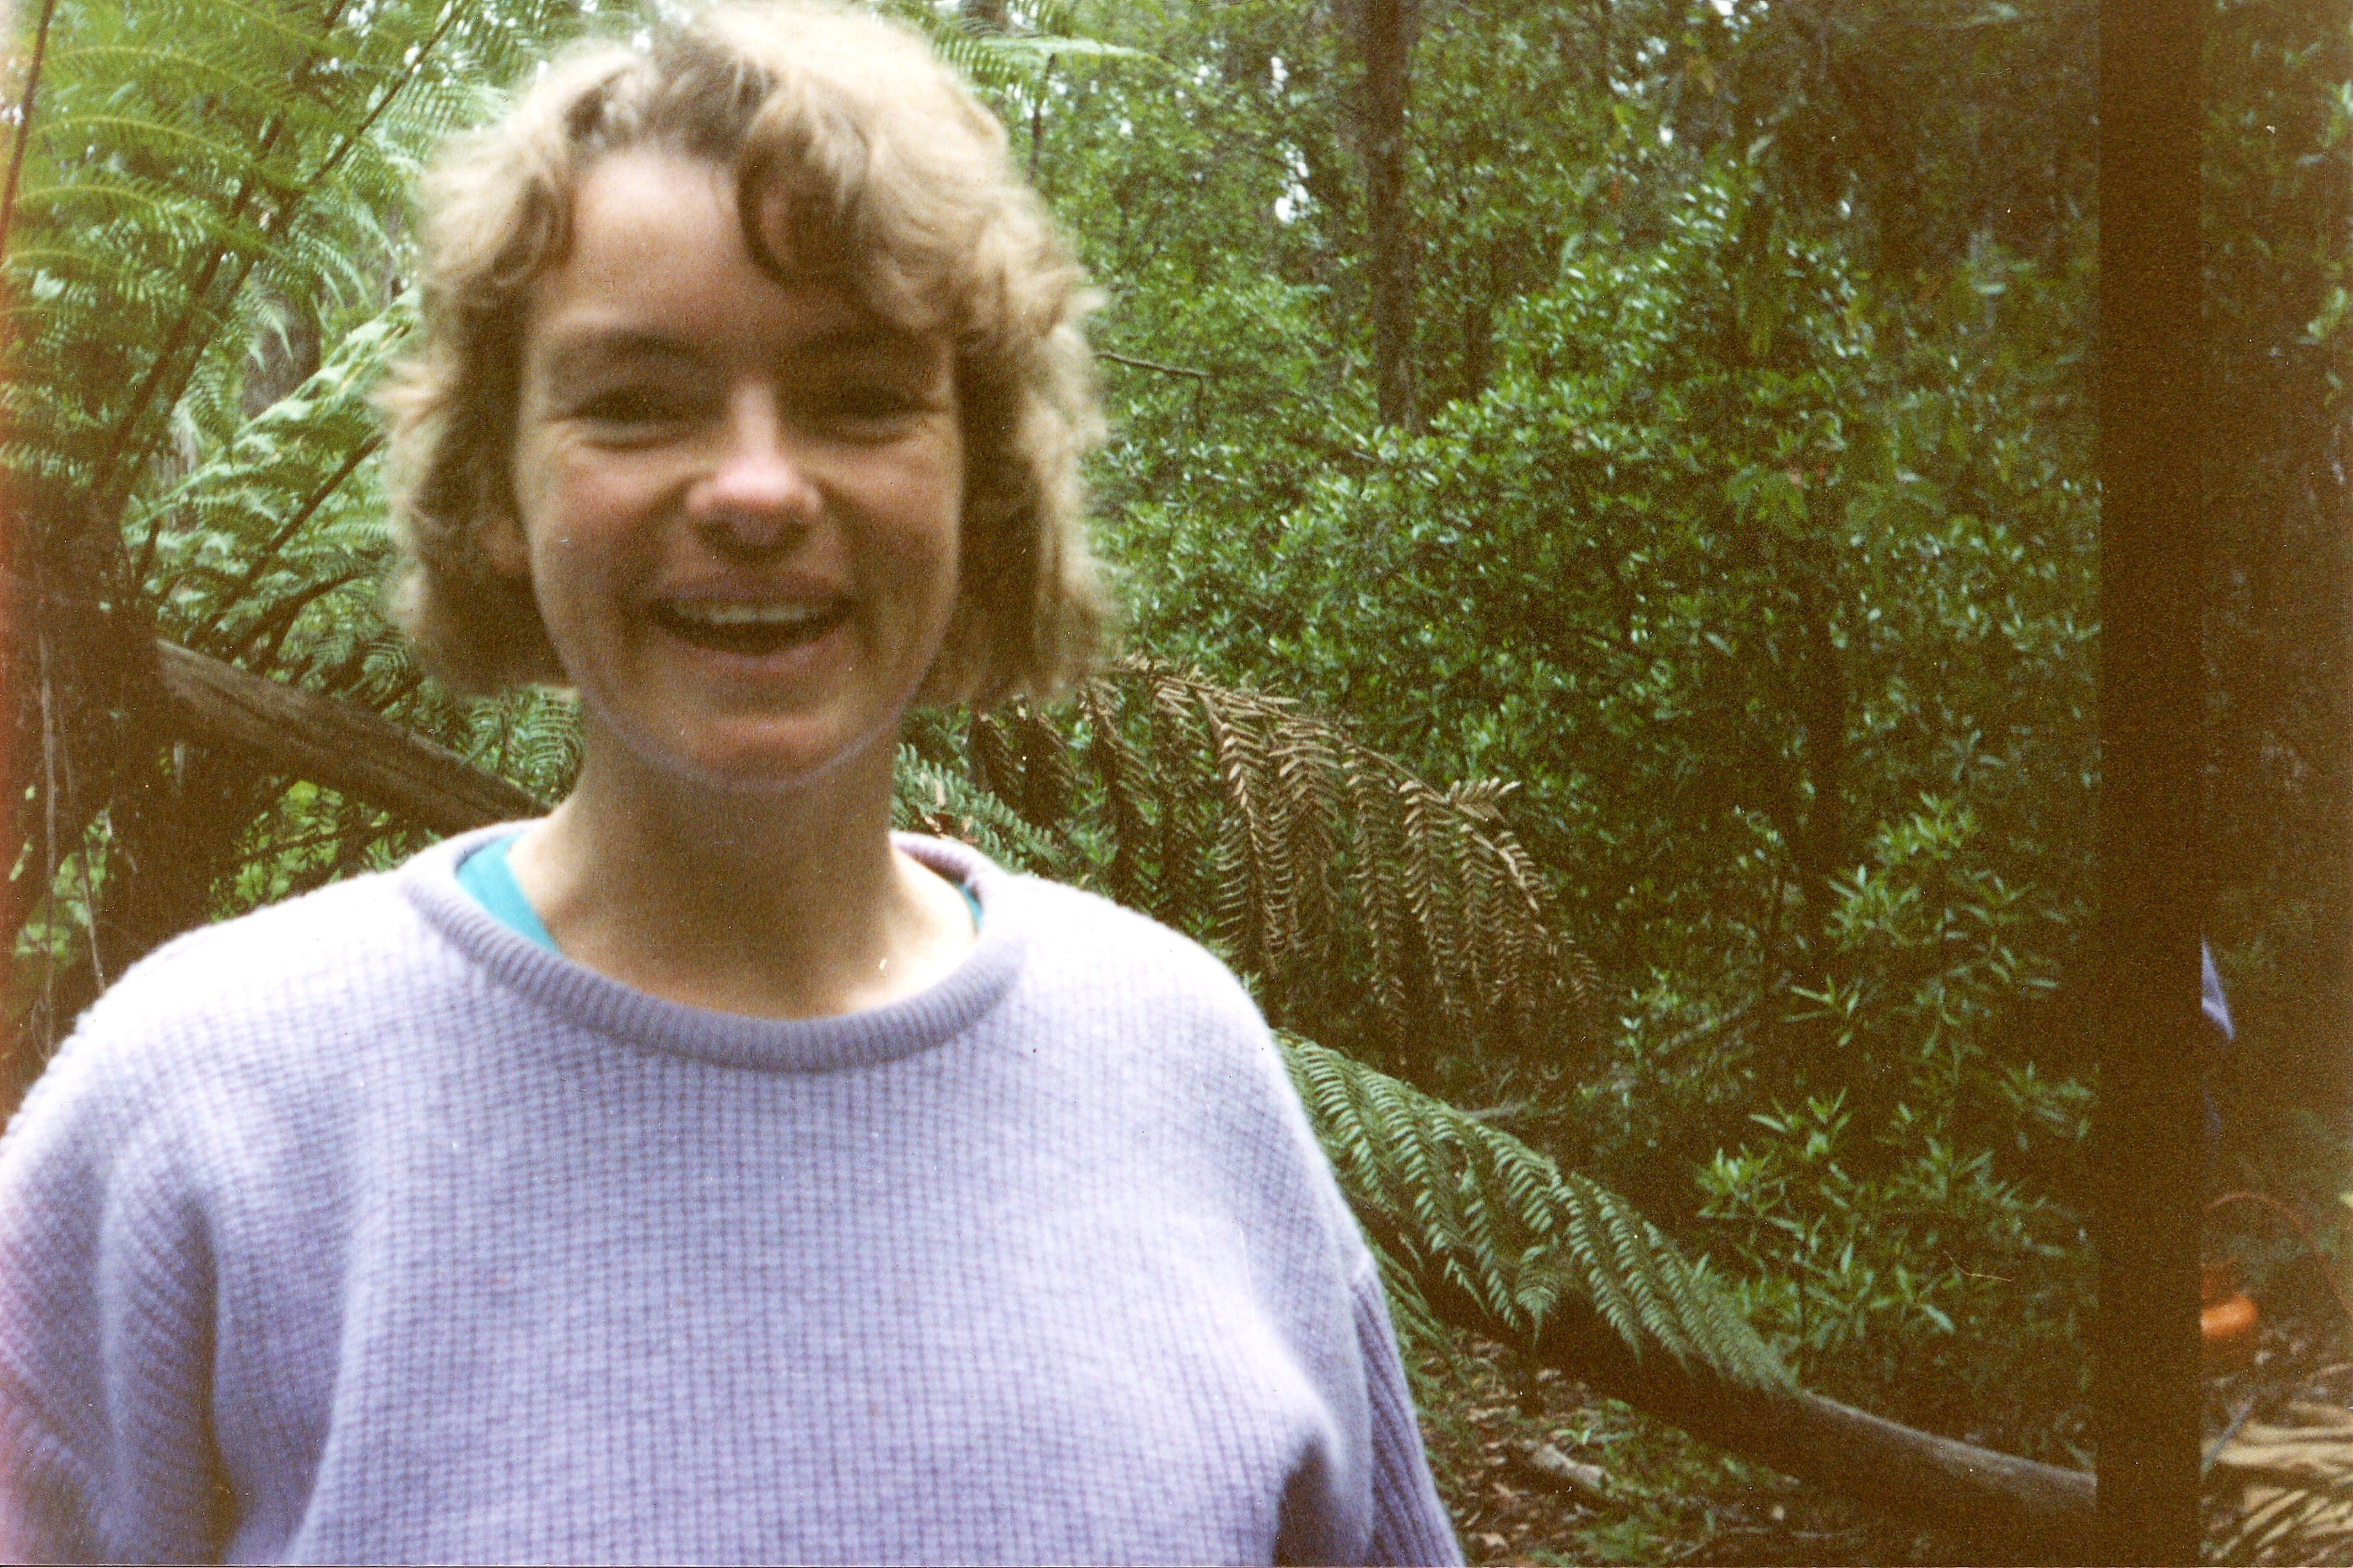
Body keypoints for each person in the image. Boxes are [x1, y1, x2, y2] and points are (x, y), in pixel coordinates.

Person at [0, 5, 1461, 1563]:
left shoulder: (1186, 1078)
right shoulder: (207, 1118)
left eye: (858, 397)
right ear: (498, 481)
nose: (759, 490)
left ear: (981, 482)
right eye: (636, 400)